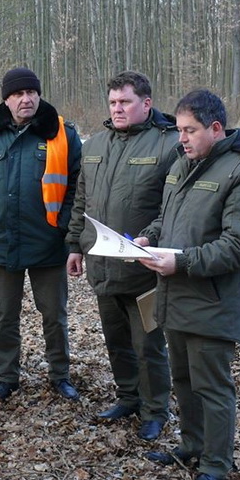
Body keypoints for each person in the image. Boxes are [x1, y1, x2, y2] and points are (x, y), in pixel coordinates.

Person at [134, 89, 240, 480]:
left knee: (212, 385)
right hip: (175, 293)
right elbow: (169, 219)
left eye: (190, 130)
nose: (182, 138)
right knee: (183, 378)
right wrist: (150, 237)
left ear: (216, 128)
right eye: (179, 130)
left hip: (213, 299)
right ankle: (192, 446)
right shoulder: (183, 164)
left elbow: (239, 246)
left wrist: (181, 262)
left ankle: (216, 465)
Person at [0, 67, 82, 401]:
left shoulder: (62, 134)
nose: (25, 99)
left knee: (55, 316)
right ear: (6, 99)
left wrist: (64, 227)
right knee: (5, 317)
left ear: (39, 96)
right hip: (2, 242)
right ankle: (6, 376)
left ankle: (60, 375)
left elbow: (76, 187)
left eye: (31, 93)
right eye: (18, 94)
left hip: (48, 243)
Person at [66, 71, 177, 441]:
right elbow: (81, 202)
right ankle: (128, 397)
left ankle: (155, 410)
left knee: (148, 345)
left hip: (144, 269)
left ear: (146, 103)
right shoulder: (95, 144)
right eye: (113, 102)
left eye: (125, 102)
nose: (118, 109)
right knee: (116, 340)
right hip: (102, 264)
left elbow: (173, 208)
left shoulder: (168, 145)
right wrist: (73, 246)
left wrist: (154, 236)